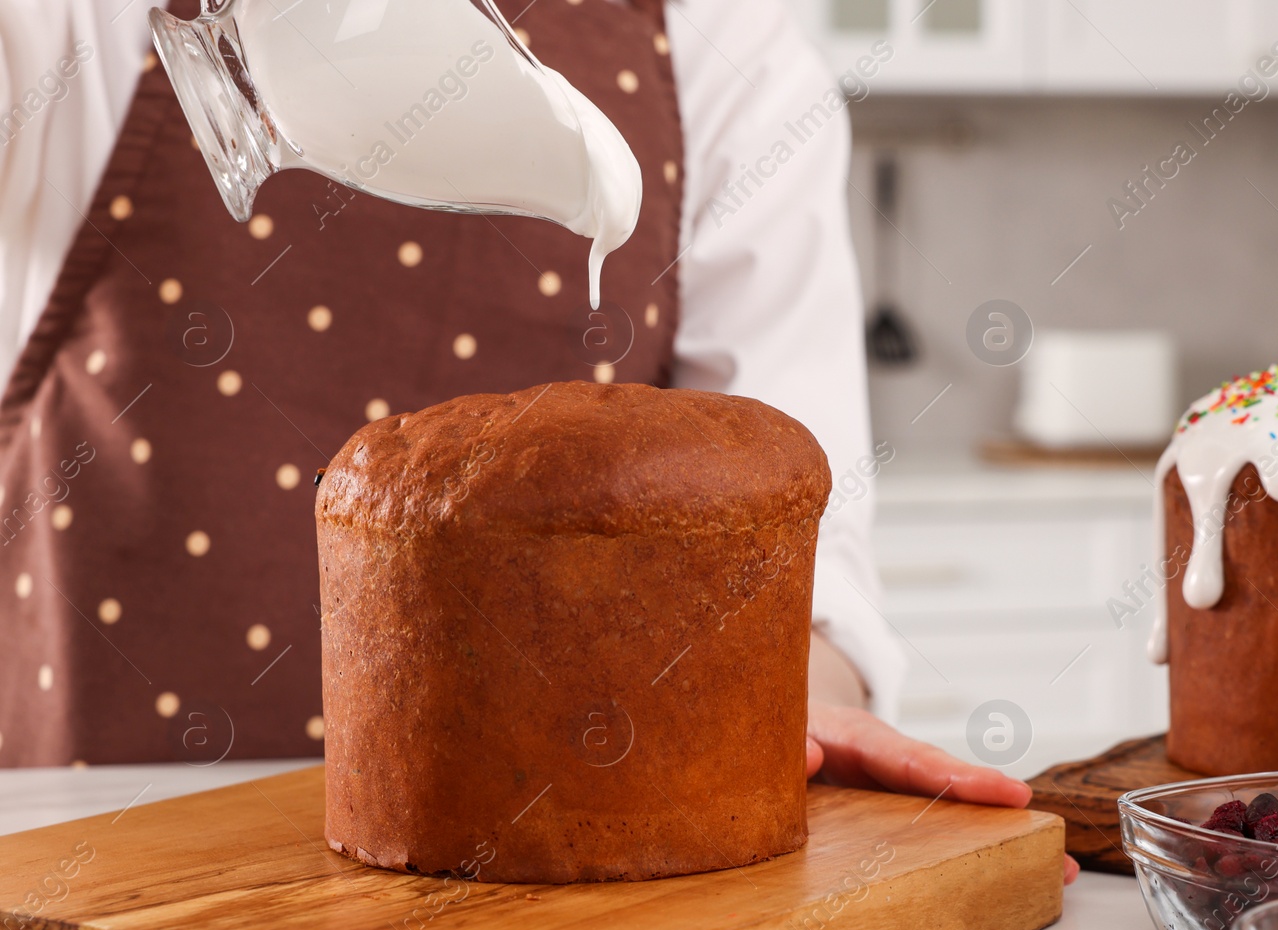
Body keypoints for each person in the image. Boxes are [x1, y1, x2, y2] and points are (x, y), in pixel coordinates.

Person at [0, 0, 1077, 882]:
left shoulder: (729, 54)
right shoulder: (73, 32)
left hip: (569, 897)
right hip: (89, 867)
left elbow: (801, 541)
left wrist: (790, 705)